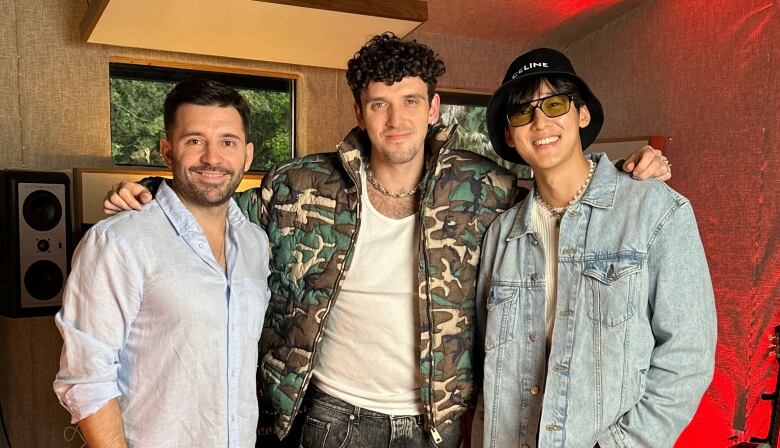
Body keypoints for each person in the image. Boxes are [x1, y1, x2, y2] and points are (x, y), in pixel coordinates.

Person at [102, 34, 671, 447]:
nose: (395, 119)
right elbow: (214, 210)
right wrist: (153, 191)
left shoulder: (487, 188)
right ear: (360, 111)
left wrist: (622, 175)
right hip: (327, 417)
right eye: (379, 103)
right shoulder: (300, 184)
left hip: (436, 425)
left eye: (410, 102)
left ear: (434, 108)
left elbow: (557, 191)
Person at [476, 48, 716, 448]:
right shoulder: (501, 236)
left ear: (581, 114)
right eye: (522, 112)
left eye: (554, 104)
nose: (540, 122)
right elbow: (490, 371)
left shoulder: (655, 211)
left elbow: (688, 357)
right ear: (509, 135)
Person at [54, 79, 271, 447]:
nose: (212, 158)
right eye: (195, 141)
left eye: (227, 142)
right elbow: (87, 378)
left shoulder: (255, 243)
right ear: (168, 151)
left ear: (247, 155)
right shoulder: (119, 241)